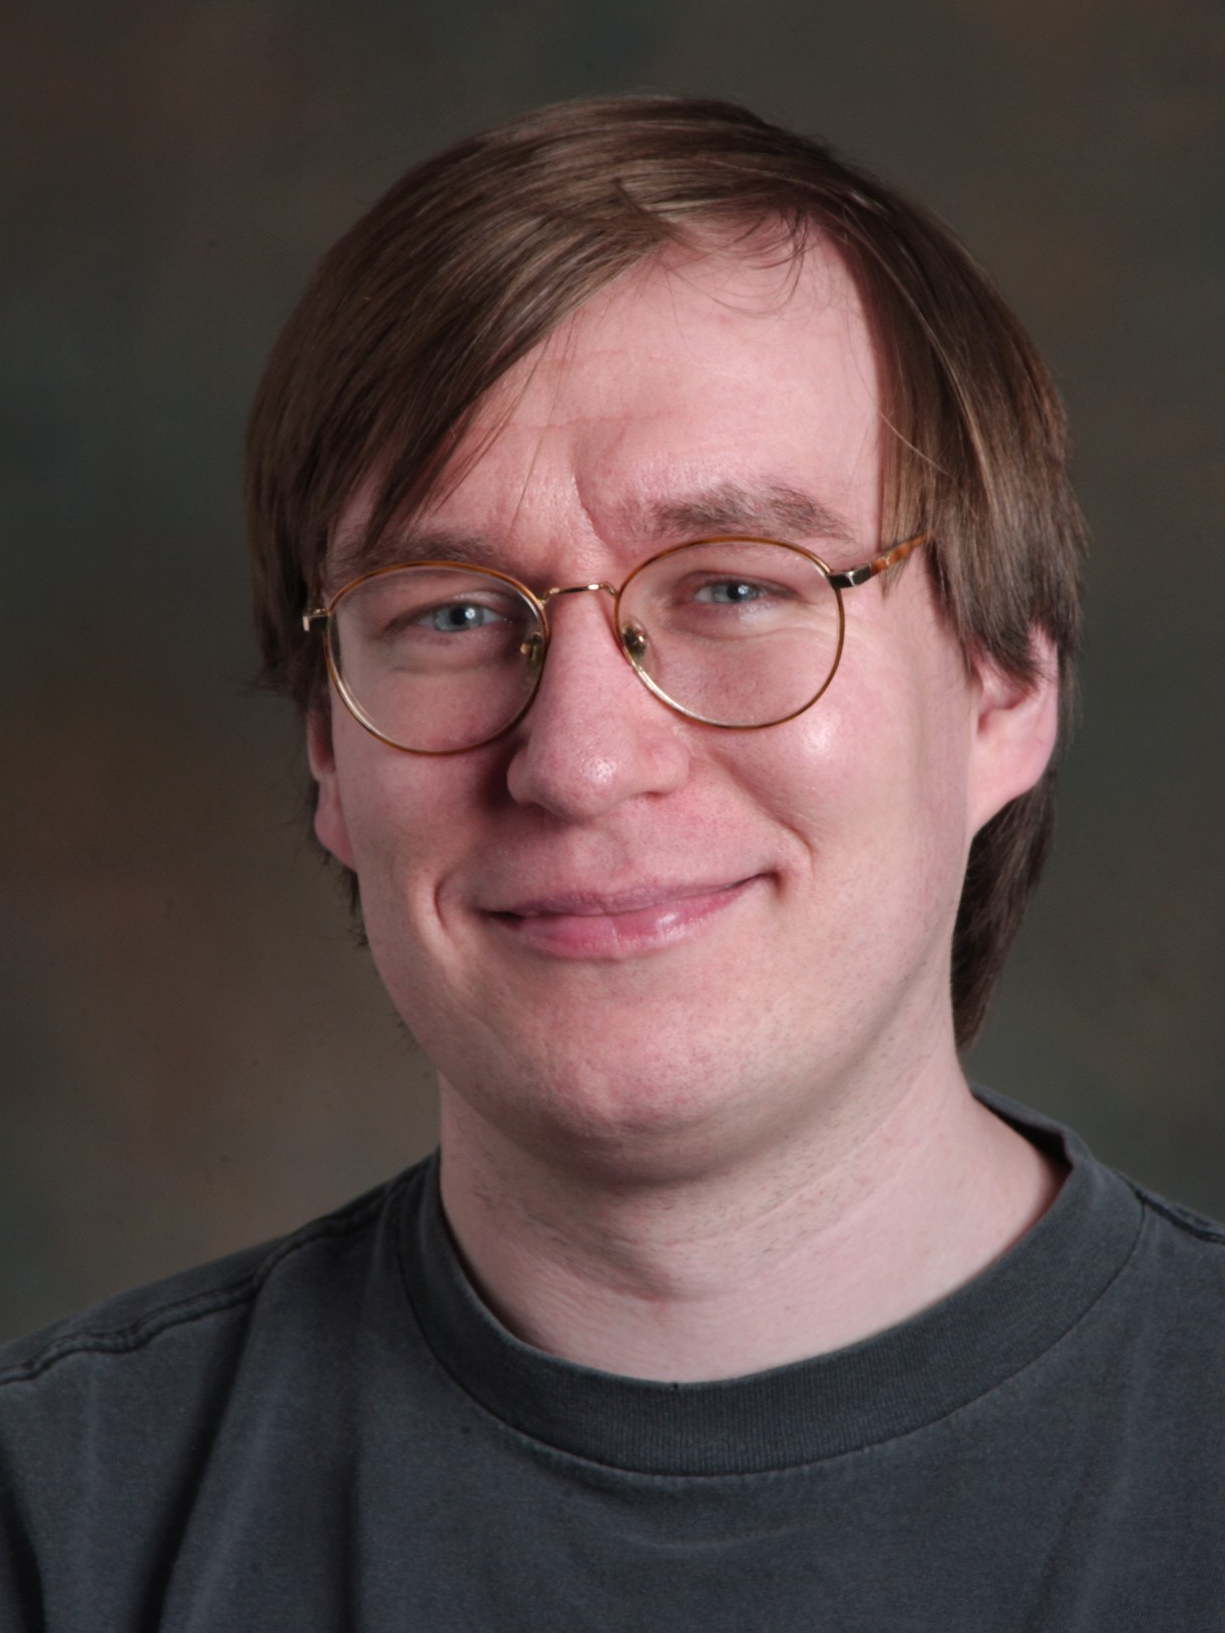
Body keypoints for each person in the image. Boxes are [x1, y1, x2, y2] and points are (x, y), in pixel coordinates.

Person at [2, 95, 1222, 1630]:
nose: (577, 761)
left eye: (734, 587)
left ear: (1005, 691)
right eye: (452, 613)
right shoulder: (53, 1526)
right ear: (329, 757)